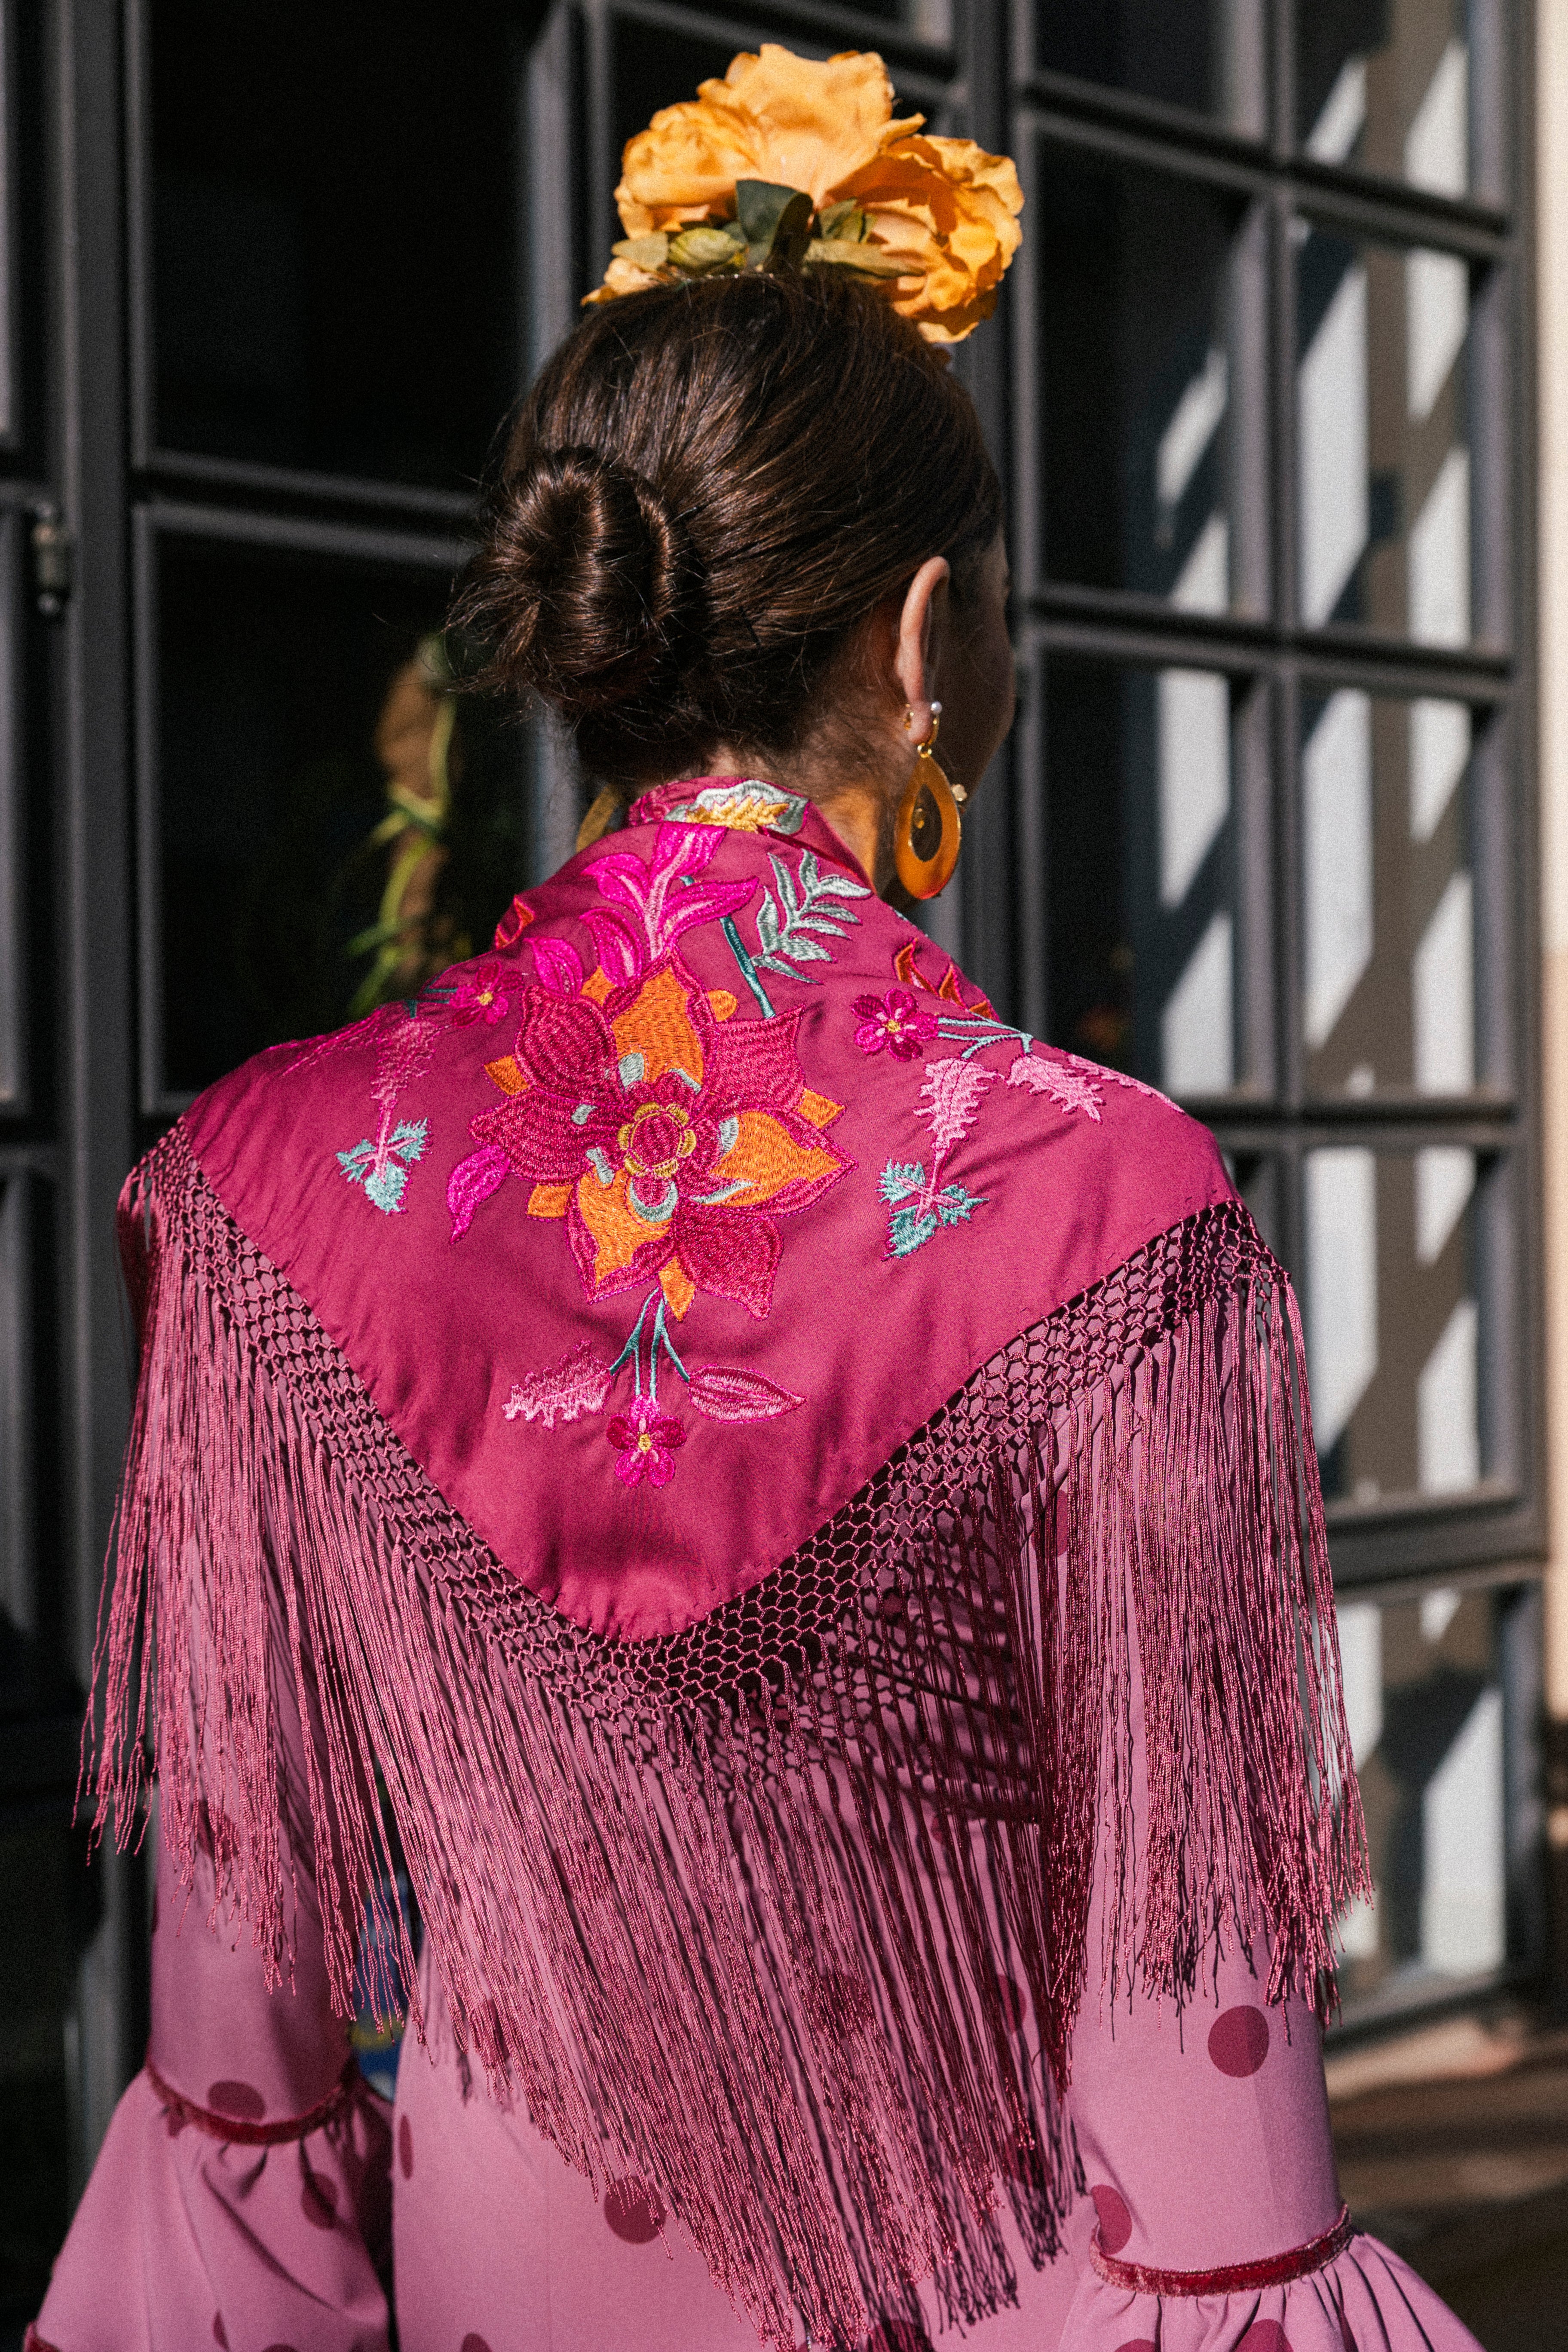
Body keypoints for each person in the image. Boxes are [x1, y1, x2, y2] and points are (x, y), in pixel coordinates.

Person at [36, 45, 1482, 2352]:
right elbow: (1208, 2142)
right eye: (997, 605)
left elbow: (241, 2054)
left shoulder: (278, 1179)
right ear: (923, 644)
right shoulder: (1098, 1205)